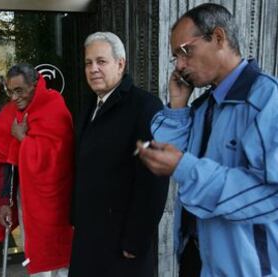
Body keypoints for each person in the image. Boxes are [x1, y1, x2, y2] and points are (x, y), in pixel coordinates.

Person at [136, 3, 278, 277]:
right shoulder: (204, 106)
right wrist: (178, 105)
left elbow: (271, 193)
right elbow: (175, 157)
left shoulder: (267, 100)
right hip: (197, 257)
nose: (179, 65)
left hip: (247, 267)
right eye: (175, 56)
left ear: (219, 37)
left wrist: (186, 168)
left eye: (186, 51)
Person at [68, 32, 169, 277]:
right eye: (88, 63)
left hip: (121, 246)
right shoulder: (90, 105)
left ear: (120, 64)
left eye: (101, 62)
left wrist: (135, 241)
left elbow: (153, 182)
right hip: (88, 239)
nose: (93, 69)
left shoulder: (145, 107)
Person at [0, 63, 74, 276]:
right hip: (27, 202)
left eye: (19, 90)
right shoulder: (10, 113)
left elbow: (59, 158)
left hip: (57, 202)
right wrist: (4, 201)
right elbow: (4, 160)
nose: (14, 98)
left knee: (61, 262)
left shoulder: (54, 105)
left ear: (34, 85)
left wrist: (22, 138)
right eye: (10, 92)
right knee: (36, 255)